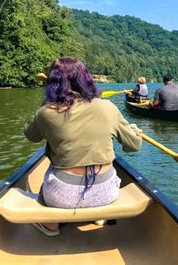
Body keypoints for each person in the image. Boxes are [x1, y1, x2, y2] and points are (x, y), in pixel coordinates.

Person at [24, 56, 142, 236]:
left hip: (61, 196)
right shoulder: (108, 107)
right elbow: (133, 145)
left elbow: (31, 136)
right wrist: (134, 132)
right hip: (107, 193)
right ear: (85, 79)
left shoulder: (46, 112)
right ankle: (98, 215)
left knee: (50, 164)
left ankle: (51, 225)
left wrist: (46, 106)